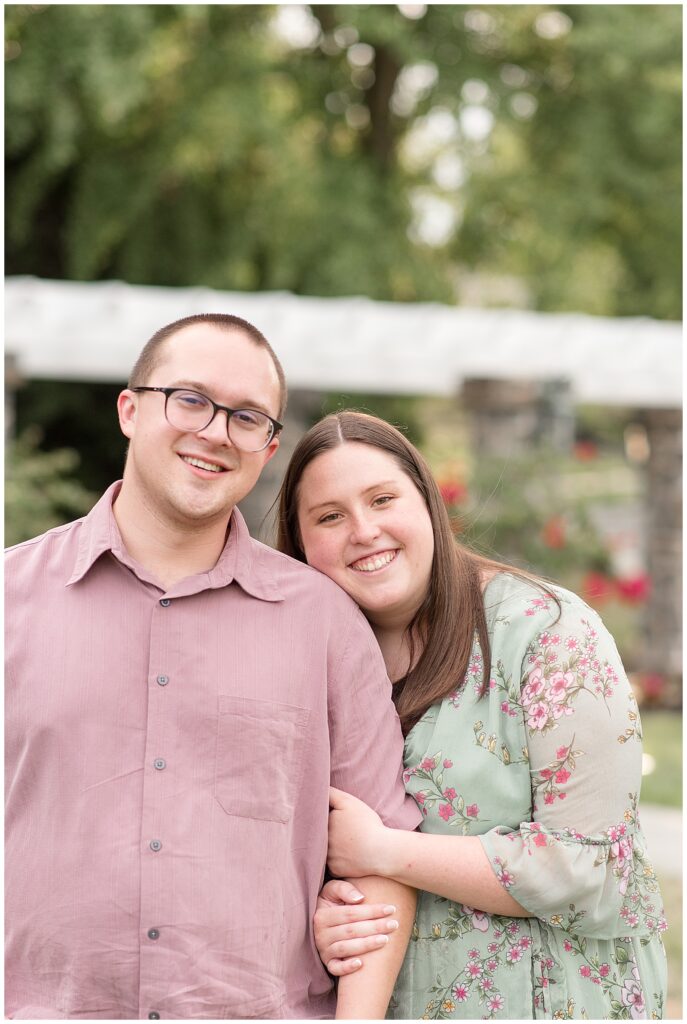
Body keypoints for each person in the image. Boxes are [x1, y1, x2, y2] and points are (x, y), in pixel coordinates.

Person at [5, 316, 422, 1021]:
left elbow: (381, 860)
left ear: (267, 448)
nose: (216, 431)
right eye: (190, 399)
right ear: (131, 410)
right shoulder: (10, 598)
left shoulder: (324, 625)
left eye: (246, 416)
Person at [277, 410, 668, 1021]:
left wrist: (383, 851)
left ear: (428, 504)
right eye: (330, 516)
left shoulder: (548, 635)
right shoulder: (293, 668)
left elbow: (591, 866)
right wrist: (323, 918)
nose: (363, 530)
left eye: (383, 499)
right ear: (300, 544)